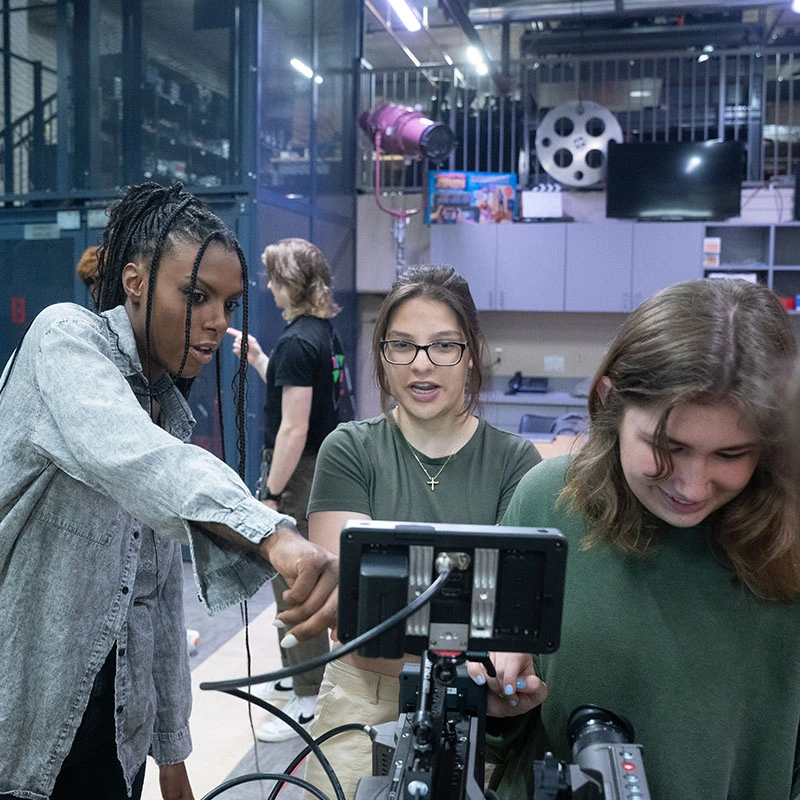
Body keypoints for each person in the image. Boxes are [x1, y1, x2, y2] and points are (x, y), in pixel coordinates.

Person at [0, 183, 337, 800]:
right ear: (133, 282)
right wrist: (273, 534)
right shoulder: (63, 339)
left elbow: (150, 601)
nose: (216, 322)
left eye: (230, 304)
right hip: (22, 732)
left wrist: (172, 757)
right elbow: (139, 458)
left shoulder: (165, 411)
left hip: (110, 741)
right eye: (196, 296)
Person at [474, 278, 800, 800]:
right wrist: (494, 700)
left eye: (731, 455)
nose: (692, 486)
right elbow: (495, 740)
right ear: (610, 401)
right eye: (666, 447)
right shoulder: (547, 503)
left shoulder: (791, 540)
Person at [303, 264, 542, 799]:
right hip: (362, 700)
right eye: (402, 346)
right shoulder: (350, 449)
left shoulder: (514, 461)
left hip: (472, 708)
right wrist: (470, 640)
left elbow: (515, 619)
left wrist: (499, 664)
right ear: (382, 356)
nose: (422, 365)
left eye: (443, 346)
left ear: (472, 352)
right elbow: (353, 617)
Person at [226, 237, 346, 742]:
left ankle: (305, 694)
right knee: (309, 576)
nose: (268, 287)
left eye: (274, 278)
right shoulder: (321, 335)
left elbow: (294, 429)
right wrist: (258, 359)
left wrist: (271, 497)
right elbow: (298, 392)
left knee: (293, 580)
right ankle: (305, 681)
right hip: (320, 466)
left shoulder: (298, 341)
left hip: (298, 474)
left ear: (291, 284)